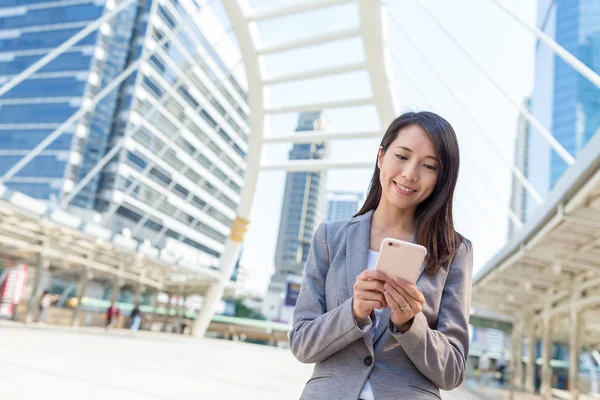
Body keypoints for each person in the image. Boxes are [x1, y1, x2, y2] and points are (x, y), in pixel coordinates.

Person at [289, 112, 473, 400]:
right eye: (402, 156)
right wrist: (354, 311)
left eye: (428, 166)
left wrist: (411, 324)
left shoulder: (454, 251)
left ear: (441, 178)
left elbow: (452, 371)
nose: (410, 173)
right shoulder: (330, 237)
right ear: (380, 157)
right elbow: (302, 343)